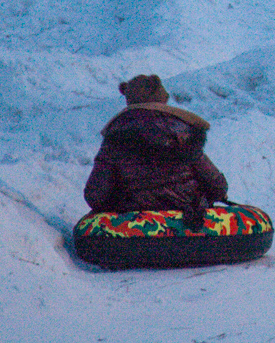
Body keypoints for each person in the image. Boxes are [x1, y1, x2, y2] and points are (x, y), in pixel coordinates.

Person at [84, 74, 228, 230]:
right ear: (161, 100)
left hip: (134, 228)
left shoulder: (114, 136)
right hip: (188, 223)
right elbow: (218, 186)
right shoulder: (184, 133)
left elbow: (95, 195)